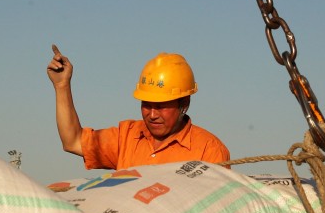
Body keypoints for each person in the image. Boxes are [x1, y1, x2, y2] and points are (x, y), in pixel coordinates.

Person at [46, 45, 230, 170]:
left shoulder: (209, 151)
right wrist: (62, 86)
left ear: (184, 104)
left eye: (160, 106)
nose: (151, 114)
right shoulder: (126, 137)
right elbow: (73, 141)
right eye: (146, 105)